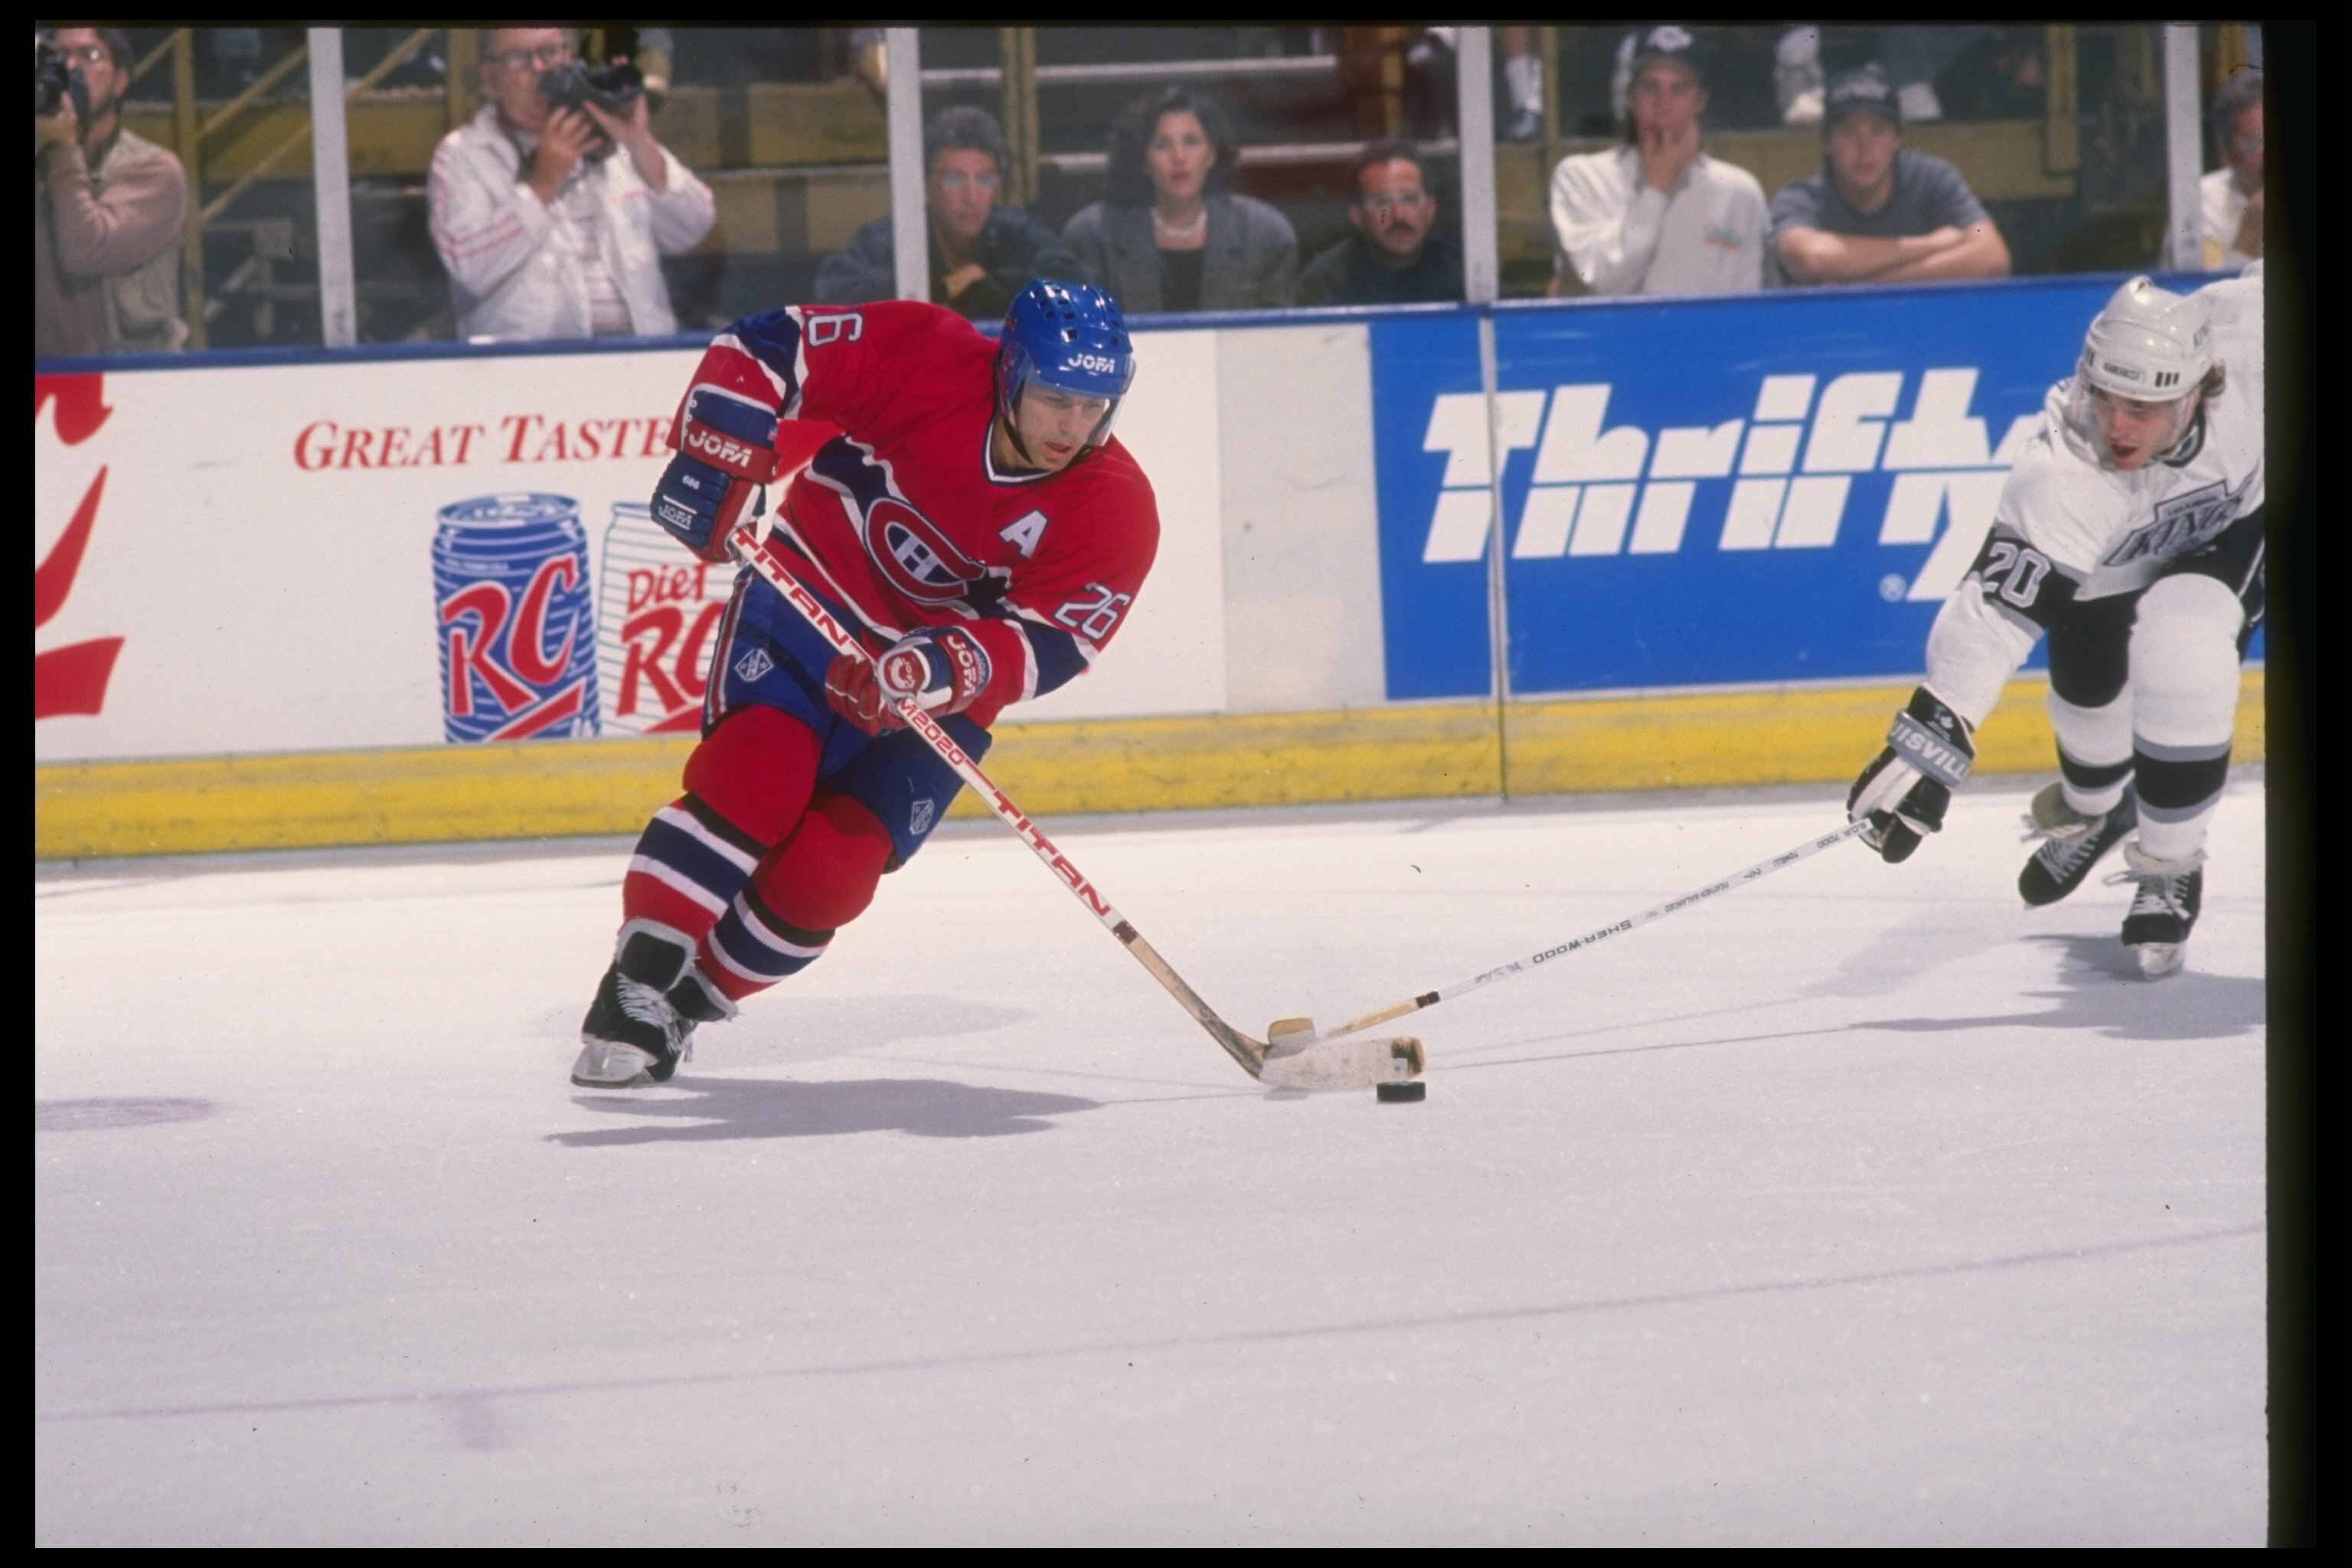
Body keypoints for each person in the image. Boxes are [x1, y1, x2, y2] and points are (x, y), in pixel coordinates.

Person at [571, 280, 1158, 1087]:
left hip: (935, 693)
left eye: (1096, 405)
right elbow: (766, 344)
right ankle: (635, 984)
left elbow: (1055, 641)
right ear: (1010, 368)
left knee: (830, 871)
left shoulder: (1116, 508)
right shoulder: (927, 356)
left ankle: (685, 1004)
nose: (1074, 425)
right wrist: (720, 450)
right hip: (811, 600)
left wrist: (937, 667)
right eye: (1057, 397)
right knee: (759, 777)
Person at [1846, 270, 2264, 978]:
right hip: (2111, 549)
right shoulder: (2066, 465)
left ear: (2196, 391)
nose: (2117, 425)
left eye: (2142, 405)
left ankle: (2169, 861)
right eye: (2104, 397)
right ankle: (2094, 809)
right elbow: (1998, 609)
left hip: (2230, 533)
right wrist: (1933, 735)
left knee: (2183, 651)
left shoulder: (2257, 349)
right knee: (2086, 710)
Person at [428, 26, 714, 341]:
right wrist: (542, 185)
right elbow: (470, 268)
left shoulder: (611, 140)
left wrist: (639, 142)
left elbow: (693, 228)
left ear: (569, 58)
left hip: (637, 360)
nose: (539, 69)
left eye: (549, 53)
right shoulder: (463, 156)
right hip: (528, 371)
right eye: (518, 58)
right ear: (491, 78)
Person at [1547, 26, 1767, 298]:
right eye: (1650, 87)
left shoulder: (1739, 192)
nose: (1663, 104)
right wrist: (1656, 189)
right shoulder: (1582, 177)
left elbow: (1748, 309)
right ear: (1630, 97)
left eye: (1678, 88)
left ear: (1699, 101)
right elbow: (1597, 286)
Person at [814, 106, 1086, 320]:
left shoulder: (1017, 230)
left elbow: (1075, 283)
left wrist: (989, 287)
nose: (972, 197)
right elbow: (834, 290)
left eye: (985, 180)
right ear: (925, 186)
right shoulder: (891, 237)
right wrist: (938, 288)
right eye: (954, 180)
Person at [1062, 86, 1297, 315]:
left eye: (1192, 142)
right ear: (1143, 160)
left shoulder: (1263, 235)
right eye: (1162, 145)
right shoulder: (1094, 238)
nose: (1179, 157)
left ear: (1212, 154)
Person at [1770, 64, 2010, 286]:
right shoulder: (1801, 198)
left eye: (1878, 131)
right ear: (1826, 142)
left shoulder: (1932, 178)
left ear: (1898, 139)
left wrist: (1868, 285)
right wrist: (1931, 245)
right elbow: (1813, 258)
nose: (1864, 148)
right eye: (1848, 132)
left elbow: (1992, 254)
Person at [34, 26, 189, 358]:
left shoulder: (154, 171)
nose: (72, 68)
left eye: (90, 56)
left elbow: (86, 249)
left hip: (130, 378)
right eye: (58, 57)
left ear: (121, 80)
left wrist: (64, 145)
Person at [1298, 139, 1463, 306]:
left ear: (1430, 209)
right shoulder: (1326, 281)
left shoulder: (1462, 274)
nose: (1399, 215)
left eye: (1410, 200)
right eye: (1382, 203)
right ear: (1357, 216)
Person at [2201, 69, 2262, 270]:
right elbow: (2203, 297)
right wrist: (2250, 235)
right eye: (2258, 140)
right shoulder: (2202, 206)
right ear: (2228, 156)